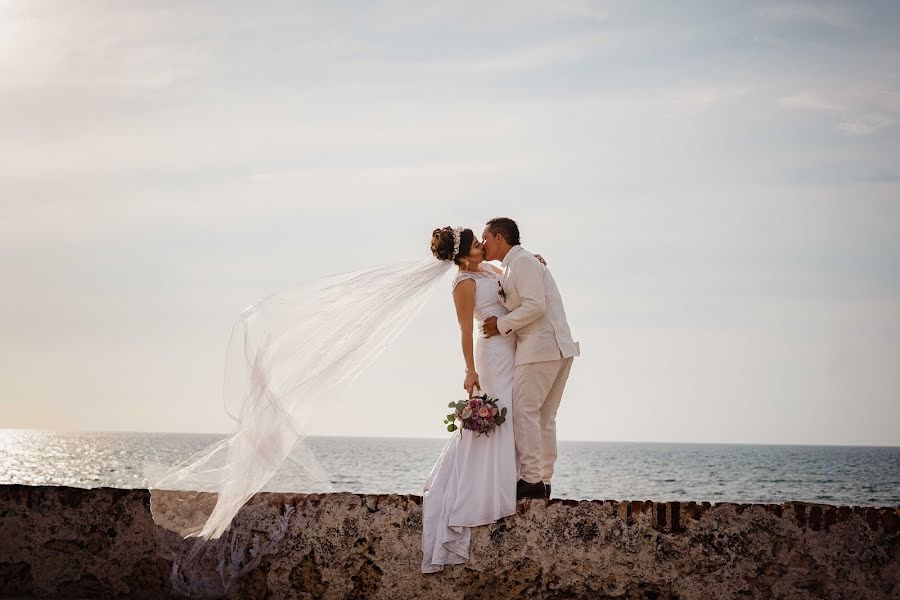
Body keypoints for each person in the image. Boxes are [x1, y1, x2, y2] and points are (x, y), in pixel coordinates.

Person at [481, 217, 579, 502]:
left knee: (525, 411)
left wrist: (499, 325)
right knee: (545, 418)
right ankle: (543, 481)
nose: (484, 244)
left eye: (486, 238)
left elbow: (536, 305)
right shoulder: (519, 263)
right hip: (557, 347)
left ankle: (531, 479)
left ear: (500, 238)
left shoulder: (522, 263)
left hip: (539, 348)